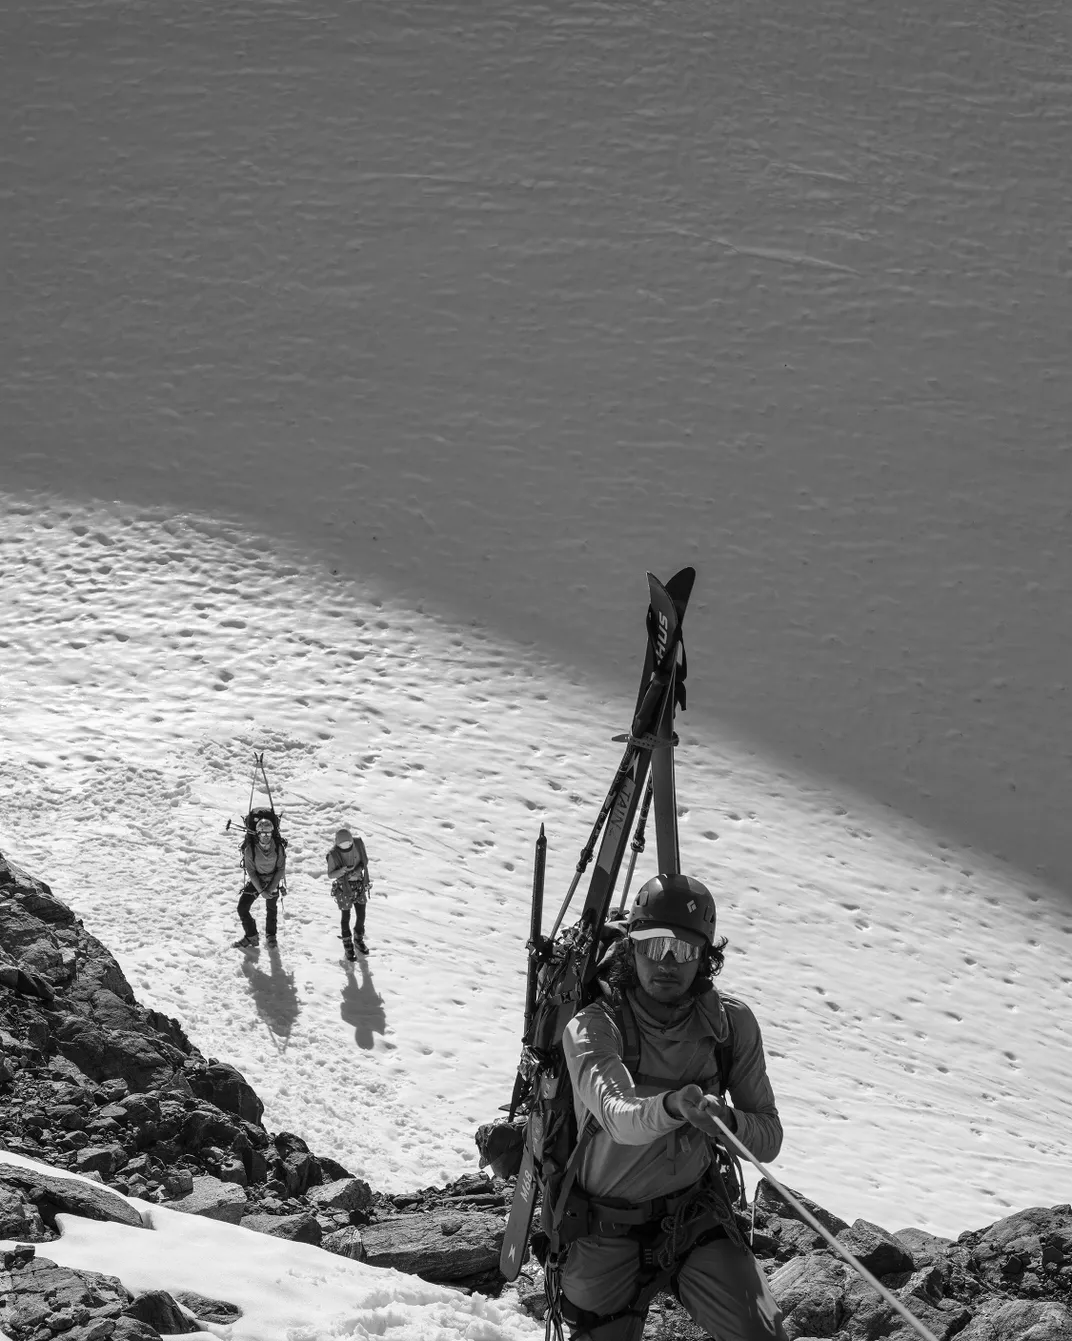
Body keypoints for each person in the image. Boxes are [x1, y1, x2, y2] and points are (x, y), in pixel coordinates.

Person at [557, 873, 787, 1341]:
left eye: (682, 949)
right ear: (631, 948)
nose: (666, 961)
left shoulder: (731, 1024)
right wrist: (673, 1107)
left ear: (704, 956)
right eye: (652, 945)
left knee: (761, 1335)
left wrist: (728, 1123)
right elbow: (618, 1115)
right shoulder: (593, 1027)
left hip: (693, 1214)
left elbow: (768, 1136)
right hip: (605, 1224)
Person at [234, 813, 287, 949]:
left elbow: (280, 868)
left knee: (271, 909)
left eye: (268, 834)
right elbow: (251, 871)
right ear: (257, 834)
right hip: (257, 880)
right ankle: (251, 936)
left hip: (272, 880)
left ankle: (271, 936)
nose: (265, 837)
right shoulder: (250, 849)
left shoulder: (278, 847)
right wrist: (261, 891)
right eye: (263, 834)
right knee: (242, 907)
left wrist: (270, 888)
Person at [325, 826, 370, 959]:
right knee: (346, 917)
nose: (346, 847)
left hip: (359, 885)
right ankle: (347, 944)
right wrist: (342, 872)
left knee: (361, 915)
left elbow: (364, 861)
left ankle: (358, 938)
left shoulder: (358, 844)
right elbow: (330, 874)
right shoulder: (333, 854)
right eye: (343, 845)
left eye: (348, 844)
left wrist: (358, 869)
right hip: (344, 889)